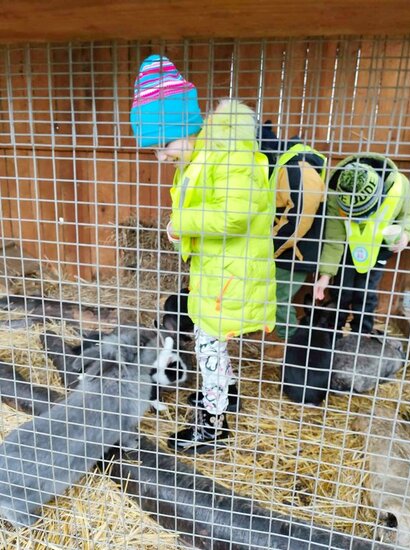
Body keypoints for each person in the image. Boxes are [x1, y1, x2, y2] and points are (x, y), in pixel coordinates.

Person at [130, 55, 276, 453]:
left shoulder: (230, 155)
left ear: (184, 126)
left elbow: (234, 215)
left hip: (232, 274)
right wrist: (181, 229)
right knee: (206, 339)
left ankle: (213, 425)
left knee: (208, 344)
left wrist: (182, 224)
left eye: (163, 145)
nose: (161, 157)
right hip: (215, 270)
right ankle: (226, 393)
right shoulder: (201, 156)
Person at [314, 154, 410, 335]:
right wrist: (326, 274)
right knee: (341, 292)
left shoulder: (399, 186)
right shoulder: (337, 192)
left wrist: (406, 233)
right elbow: (334, 238)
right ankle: (332, 334)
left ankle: (361, 335)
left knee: (365, 293)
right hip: (347, 250)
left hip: (378, 249)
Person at [259, 123, 327, 357]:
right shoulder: (287, 164)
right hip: (289, 249)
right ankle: (278, 335)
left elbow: (299, 218)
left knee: (278, 296)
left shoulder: (297, 167)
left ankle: (289, 344)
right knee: (272, 293)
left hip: (295, 251)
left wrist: (271, 247)